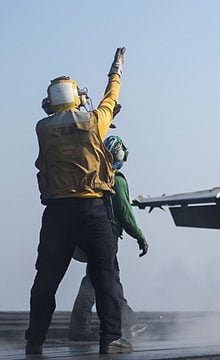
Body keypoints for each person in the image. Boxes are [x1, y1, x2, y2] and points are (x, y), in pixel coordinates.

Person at [26, 47, 133, 355]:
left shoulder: (42, 128)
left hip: (57, 214)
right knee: (105, 277)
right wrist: (117, 70)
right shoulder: (94, 122)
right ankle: (111, 338)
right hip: (92, 211)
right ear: (76, 97)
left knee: (46, 280)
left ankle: (34, 340)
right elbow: (110, 98)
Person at [68, 135, 149, 341]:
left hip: (87, 232)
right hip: (107, 235)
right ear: (117, 154)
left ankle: (125, 322)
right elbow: (124, 212)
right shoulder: (116, 179)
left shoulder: (92, 175)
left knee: (106, 278)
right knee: (102, 280)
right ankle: (119, 324)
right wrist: (140, 236)